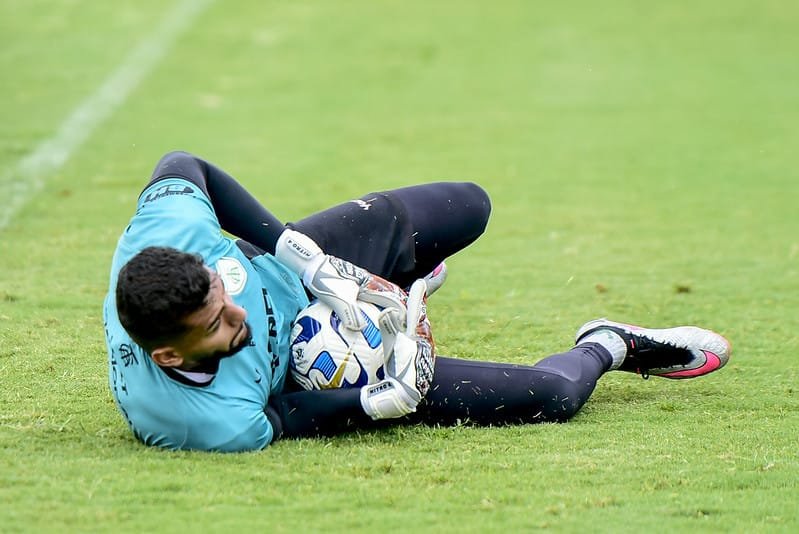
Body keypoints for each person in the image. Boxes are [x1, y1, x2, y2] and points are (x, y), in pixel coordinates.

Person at [103, 151, 731, 452]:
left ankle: (393, 283)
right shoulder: (202, 421)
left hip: (294, 271)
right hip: (314, 371)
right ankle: (610, 342)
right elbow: (291, 416)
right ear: (167, 354)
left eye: (223, 295)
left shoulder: (167, 237)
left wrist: (305, 259)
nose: (233, 313)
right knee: (554, 398)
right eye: (217, 324)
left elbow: (186, 164)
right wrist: (381, 398)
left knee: (468, 205)